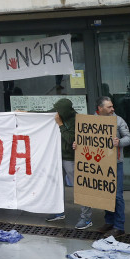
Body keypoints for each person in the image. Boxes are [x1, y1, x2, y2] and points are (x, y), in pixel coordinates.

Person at [35, 98, 93, 228]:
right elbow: (41, 115)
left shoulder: (77, 120)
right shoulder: (58, 112)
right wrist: (23, 112)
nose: (56, 112)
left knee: (80, 188)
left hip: (71, 159)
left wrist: (60, 124)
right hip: (56, 157)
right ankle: (58, 212)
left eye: (59, 110)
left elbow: (71, 139)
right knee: (55, 186)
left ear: (65, 111)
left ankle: (87, 218)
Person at [93, 96, 130, 238]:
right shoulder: (91, 121)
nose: (112, 109)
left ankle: (119, 227)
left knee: (117, 196)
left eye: (112, 106)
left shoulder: (119, 120)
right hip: (99, 164)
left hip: (115, 163)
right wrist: (77, 145)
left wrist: (119, 142)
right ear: (100, 109)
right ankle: (109, 222)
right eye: (109, 107)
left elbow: (129, 138)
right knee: (105, 193)